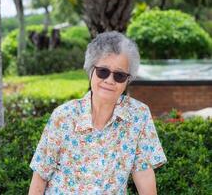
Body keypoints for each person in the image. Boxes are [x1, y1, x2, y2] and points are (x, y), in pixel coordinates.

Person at [28, 31, 167, 195]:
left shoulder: (138, 115)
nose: (109, 80)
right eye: (103, 71)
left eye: (119, 75)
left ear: (127, 80)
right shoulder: (64, 115)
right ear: (91, 70)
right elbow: (41, 176)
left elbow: (143, 173)